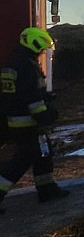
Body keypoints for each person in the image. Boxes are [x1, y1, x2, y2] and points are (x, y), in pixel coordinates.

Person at [0, 27, 69, 212]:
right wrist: (44, 115)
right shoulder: (27, 65)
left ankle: (47, 189)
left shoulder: (13, 62)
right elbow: (31, 96)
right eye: (41, 48)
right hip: (28, 121)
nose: (41, 52)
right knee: (21, 161)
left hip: (17, 119)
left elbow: (17, 94)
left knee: (43, 155)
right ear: (34, 42)